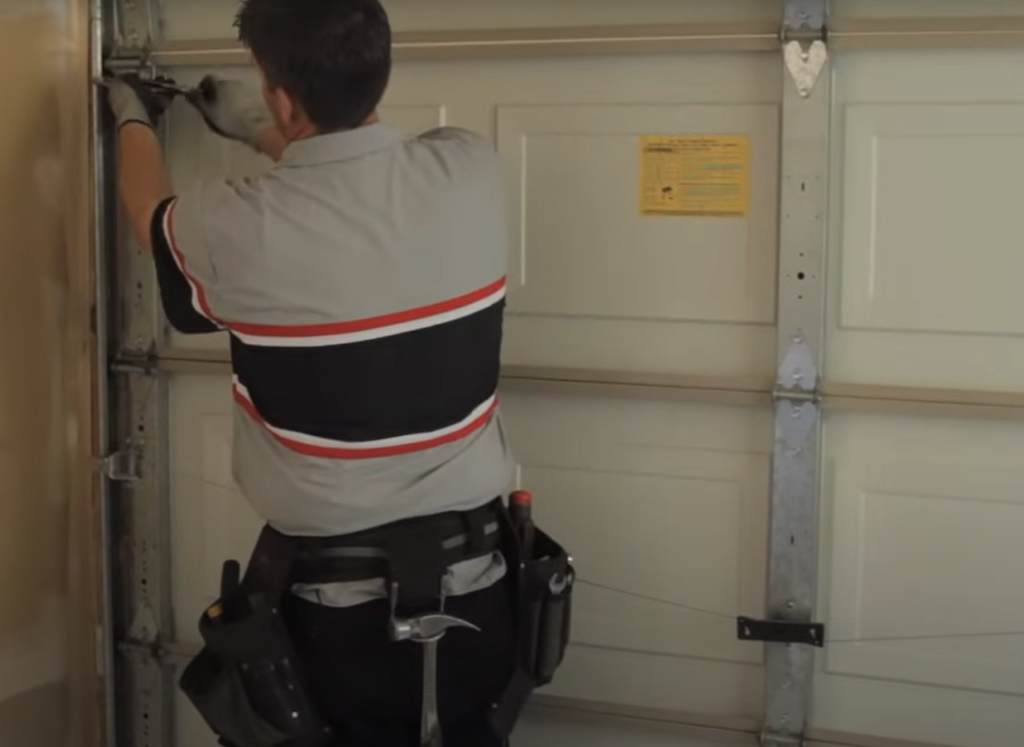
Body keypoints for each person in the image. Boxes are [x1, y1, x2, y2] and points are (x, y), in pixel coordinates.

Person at [104, 1, 540, 745]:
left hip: (334, 619)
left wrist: (131, 114)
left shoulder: (229, 226)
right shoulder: (469, 166)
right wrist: (270, 135)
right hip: (482, 591)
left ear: (279, 94)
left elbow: (147, 209)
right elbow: (359, 197)